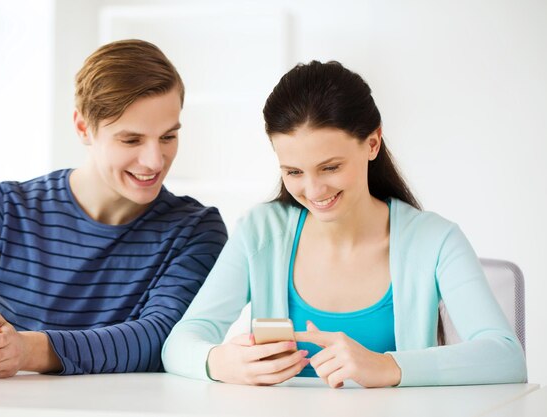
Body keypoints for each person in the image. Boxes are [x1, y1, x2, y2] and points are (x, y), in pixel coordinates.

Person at [162, 60, 527, 387]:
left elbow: (506, 357)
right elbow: (180, 343)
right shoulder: (261, 231)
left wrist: (388, 367)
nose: (313, 189)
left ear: (372, 143)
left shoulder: (435, 240)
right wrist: (218, 361)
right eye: (293, 172)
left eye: (330, 167)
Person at [0, 39, 227, 378]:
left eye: (168, 137)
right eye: (131, 140)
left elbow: (163, 338)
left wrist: (25, 350)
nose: (155, 160)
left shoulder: (196, 230)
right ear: (83, 127)